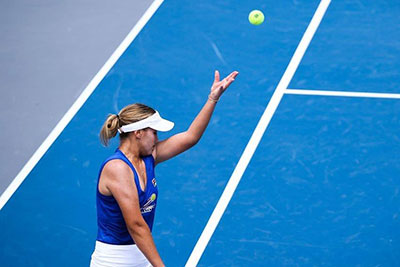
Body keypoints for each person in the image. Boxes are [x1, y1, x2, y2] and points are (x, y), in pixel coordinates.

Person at [90, 70, 239, 267]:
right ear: (138, 133)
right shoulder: (117, 168)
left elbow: (190, 137)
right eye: (154, 132)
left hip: (141, 253)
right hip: (114, 261)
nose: (158, 138)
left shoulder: (148, 157)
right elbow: (136, 225)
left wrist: (212, 99)